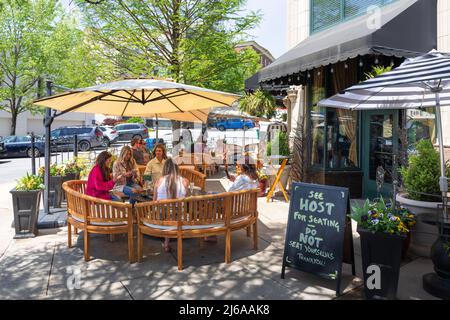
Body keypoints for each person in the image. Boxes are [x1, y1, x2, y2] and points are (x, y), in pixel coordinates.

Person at [153, 158, 189, 252]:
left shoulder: (159, 181)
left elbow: (154, 201)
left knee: (166, 212)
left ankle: (166, 242)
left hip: (160, 217)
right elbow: (187, 200)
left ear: (165, 168)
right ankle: (168, 241)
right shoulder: (185, 181)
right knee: (175, 211)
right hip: (179, 217)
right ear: (177, 168)